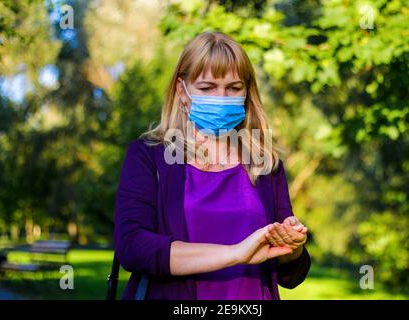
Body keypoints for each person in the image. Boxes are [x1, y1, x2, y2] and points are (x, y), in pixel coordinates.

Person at [114, 31, 311, 300]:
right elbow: (133, 247)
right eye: (207, 88)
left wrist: (294, 246)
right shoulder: (149, 157)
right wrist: (234, 254)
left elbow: (289, 274)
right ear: (181, 90)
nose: (222, 98)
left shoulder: (266, 164)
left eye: (234, 88)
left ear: (247, 92)